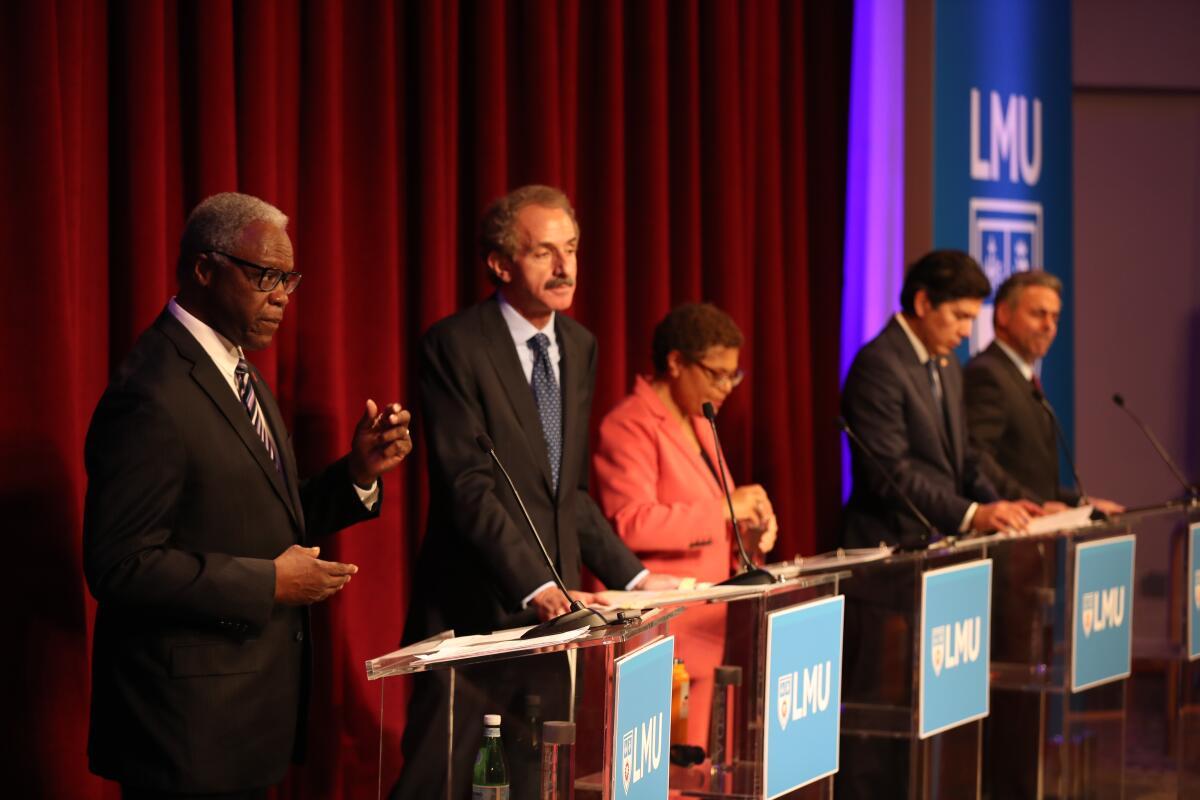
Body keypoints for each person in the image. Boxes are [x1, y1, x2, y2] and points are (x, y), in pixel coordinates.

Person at [82, 192, 412, 798]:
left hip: (243, 723)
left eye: (288, 278)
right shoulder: (151, 392)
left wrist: (359, 472)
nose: (282, 294)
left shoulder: (240, 371)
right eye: (265, 275)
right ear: (205, 269)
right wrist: (269, 584)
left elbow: (268, 518)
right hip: (182, 732)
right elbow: (119, 565)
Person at [393, 185, 677, 799]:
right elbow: (466, 485)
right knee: (436, 783)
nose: (565, 266)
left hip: (556, 627)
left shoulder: (579, 346)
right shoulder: (455, 346)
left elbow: (565, 489)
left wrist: (635, 580)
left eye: (571, 249)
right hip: (473, 613)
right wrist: (537, 585)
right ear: (500, 264)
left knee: (535, 781)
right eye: (544, 251)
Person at [592, 302, 775, 748]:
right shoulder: (629, 424)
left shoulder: (700, 419)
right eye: (717, 373)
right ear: (675, 363)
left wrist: (752, 533)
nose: (728, 386)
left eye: (734, 375)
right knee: (664, 777)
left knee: (699, 771)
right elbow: (629, 525)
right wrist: (724, 508)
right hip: (661, 632)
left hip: (710, 628)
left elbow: (718, 515)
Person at [840, 249, 1040, 548]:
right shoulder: (879, 365)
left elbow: (965, 458)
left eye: (972, 319)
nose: (966, 331)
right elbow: (892, 474)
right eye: (959, 316)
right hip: (892, 549)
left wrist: (1003, 508)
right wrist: (972, 514)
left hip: (940, 543)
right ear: (923, 303)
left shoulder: (947, 364)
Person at [964, 270, 1123, 514]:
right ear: (1004, 314)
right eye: (1038, 314)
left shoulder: (1021, 376)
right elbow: (976, 460)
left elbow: (1034, 479)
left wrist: (1079, 504)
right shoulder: (987, 375)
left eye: (1055, 317)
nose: (1049, 326)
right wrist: (1034, 506)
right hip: (1007, 534)